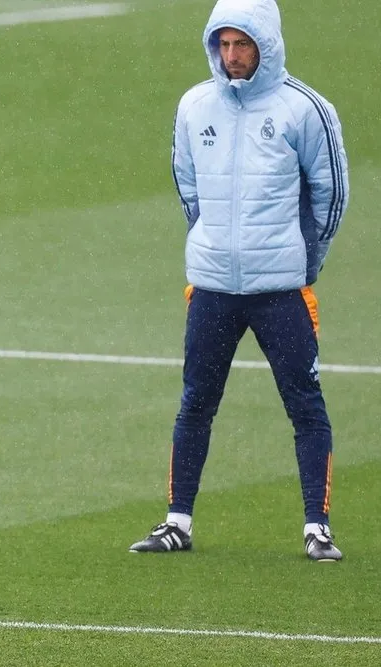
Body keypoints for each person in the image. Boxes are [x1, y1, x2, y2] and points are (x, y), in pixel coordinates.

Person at [129, 0, 349, 561]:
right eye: (223, 44)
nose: (231, 56)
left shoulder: (306, 109)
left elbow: (331, 195)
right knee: (196, 403)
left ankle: (317, 528)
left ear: (265, 44)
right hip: (212, 288)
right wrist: (211, 244)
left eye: (242, 44)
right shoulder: (194, 105)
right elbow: (187, 186)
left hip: (281, 290)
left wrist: (306, 260)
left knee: (305, 405)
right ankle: (177, 522)